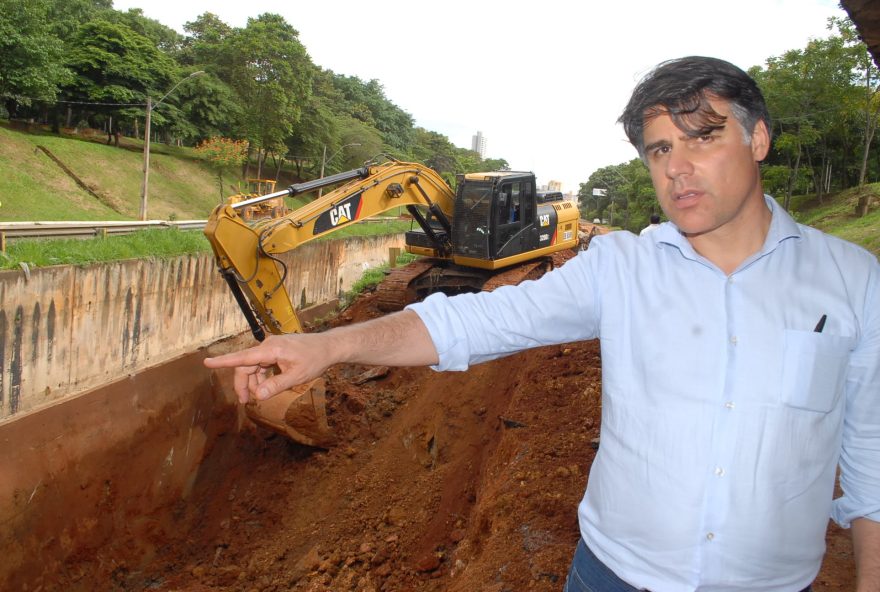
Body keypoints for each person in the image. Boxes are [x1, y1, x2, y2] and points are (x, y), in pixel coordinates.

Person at [205, 56, 879, 592]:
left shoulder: (854, 283)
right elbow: (477, 320)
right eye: (658, 149)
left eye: (704, 137)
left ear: (758, 138)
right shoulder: (621, 267)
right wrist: (327, 345)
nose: (677, 167)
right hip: (608, 575)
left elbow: (872, 463)